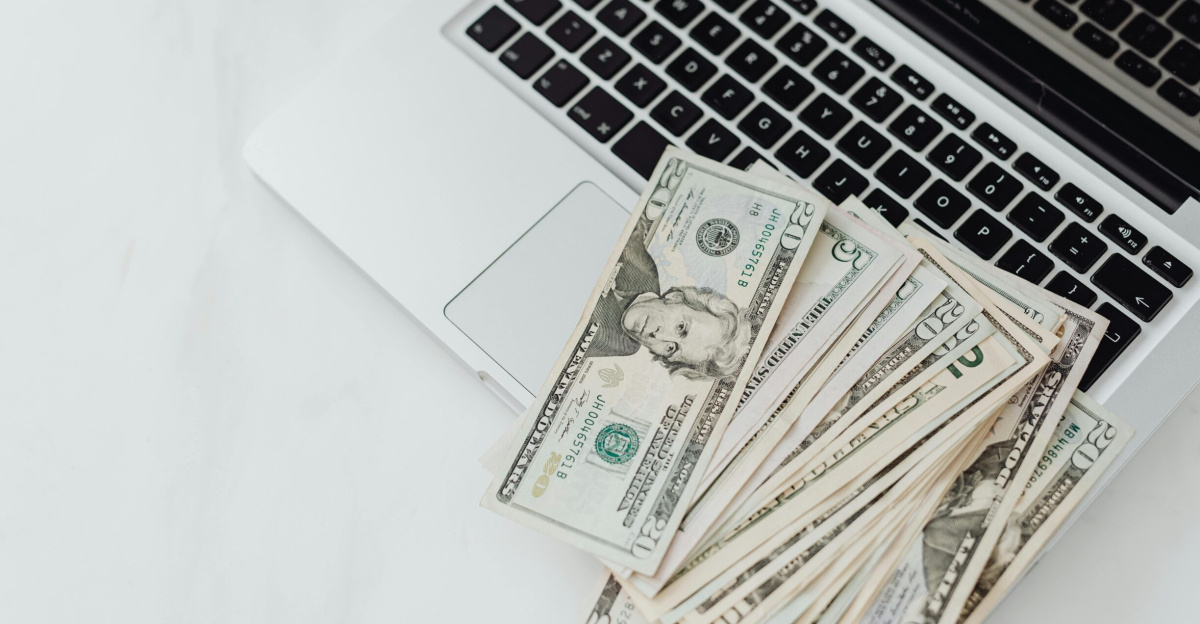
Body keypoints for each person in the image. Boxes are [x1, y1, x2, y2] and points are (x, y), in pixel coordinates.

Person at [587, 217, 753, 381]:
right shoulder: (641, 268)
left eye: (671, 348)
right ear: (676, 297)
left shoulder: (620, 344)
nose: (659, 336)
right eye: (681, 327)